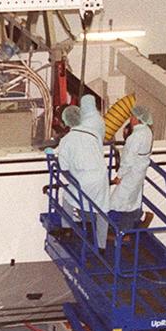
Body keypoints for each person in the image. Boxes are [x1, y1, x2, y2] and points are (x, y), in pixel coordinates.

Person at [48, 94, 111, 250]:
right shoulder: (93, 132)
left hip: (84, 179)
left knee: (68, 197)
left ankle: (67, 229)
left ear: (66, 122)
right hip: (101, 176)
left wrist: (51, 155)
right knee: (103, 209)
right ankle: (102, 246)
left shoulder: (67, 140)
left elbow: (63, 168)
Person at [108, 104, 154, 236]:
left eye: (132, 116)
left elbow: (128, 159)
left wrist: (119, 176)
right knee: (132, 198)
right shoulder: (147, 131)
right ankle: (137, 219)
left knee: (118, 200)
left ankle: (123, 232)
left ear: (137, 118)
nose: (130, 118)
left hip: (132, 171)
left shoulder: (135, 136)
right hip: (140, 169)